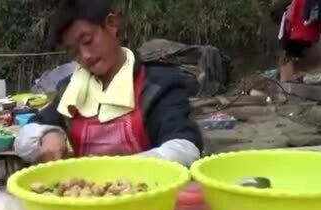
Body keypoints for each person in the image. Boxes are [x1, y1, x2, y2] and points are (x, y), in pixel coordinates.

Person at [15, 0, 203, 166]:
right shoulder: (71, 90)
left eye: (87, 41)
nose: (85, 56)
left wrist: (111, 171)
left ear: (112, 25)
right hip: (86, 197)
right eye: (74, 52)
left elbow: (185, 148)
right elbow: (25, 135)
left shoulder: (158, 83)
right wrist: (47, 134)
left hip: (147, 197)